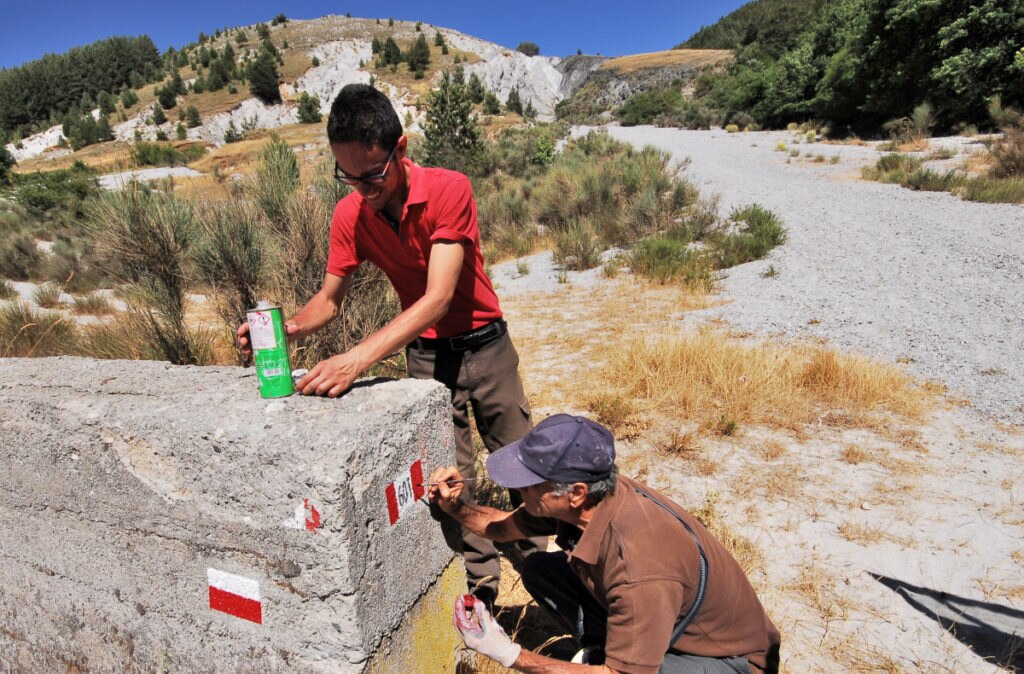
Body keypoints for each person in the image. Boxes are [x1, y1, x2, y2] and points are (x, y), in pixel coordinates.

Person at [236, 83, 543, 604]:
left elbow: (438, 297)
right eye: (348, 176)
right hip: (425, 356)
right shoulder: (350, 216)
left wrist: (356, 359)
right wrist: (285, 330)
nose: (362, 189)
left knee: (522, 465)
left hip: (487, 348)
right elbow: (328, 301)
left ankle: (549, 573)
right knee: (452, 481)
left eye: (373, 174)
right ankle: (482, 596)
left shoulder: (449, 189)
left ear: (400, 150)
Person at [428, 414, 782, 674]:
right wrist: (455, 507)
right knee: (540, 569)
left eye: (528, 483)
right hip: (666, 620)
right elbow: (502, 528)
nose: (518, 491)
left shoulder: (639, 566)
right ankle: (611, 646)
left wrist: (509, 653)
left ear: (575, 493)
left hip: (729, 663)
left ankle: (623, 654)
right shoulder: (584, 498)